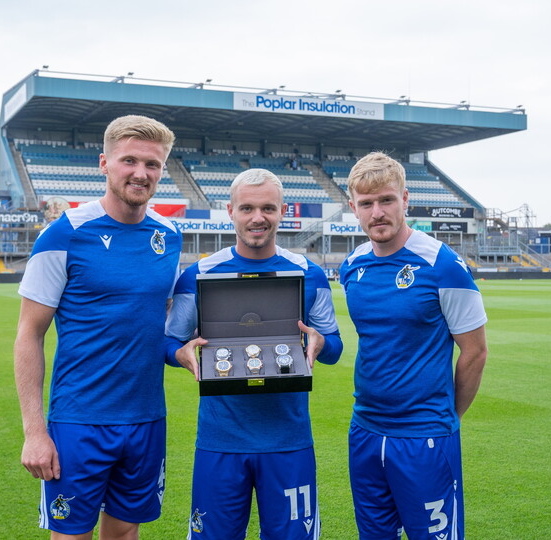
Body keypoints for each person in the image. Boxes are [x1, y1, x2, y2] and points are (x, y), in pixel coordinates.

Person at [14, 115, 180, 540]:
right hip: (79, 421)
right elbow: (29, 334)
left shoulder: (169, 235)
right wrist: (35, 432)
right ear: (104, 163)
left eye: (153, 164)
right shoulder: (63, 235)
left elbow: (159, 322)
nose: (141, 173)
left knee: (125, 533)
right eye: (129, 161)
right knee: (71, 536)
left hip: (146, 419)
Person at [165, 168, 343, 539]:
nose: (257, 218)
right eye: (247, 208)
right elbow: (168, 344)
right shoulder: (198, 274)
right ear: (230, 211)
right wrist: (182, 354)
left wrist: (320, 343)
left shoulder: (308, 273)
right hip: (220, 441)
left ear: (282, 212)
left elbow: (333, 347)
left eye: (267, 208)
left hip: (288, 441)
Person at [338, 152, 488, 540]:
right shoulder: (351, 266)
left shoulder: (443, 265)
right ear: (353, 207)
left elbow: (475, 351)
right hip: (365, 430)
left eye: (386, 200)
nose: (377, 213)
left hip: (425, 436)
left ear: (405, 200)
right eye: (366, 204)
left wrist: (446, 417)